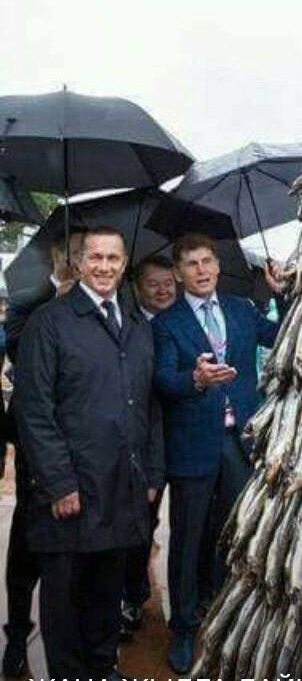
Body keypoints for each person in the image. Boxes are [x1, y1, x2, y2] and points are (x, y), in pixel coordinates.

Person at [13, 226, 164, 681]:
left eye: (112, 258)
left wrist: (151, 471)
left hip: (122, 488)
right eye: (95, 257)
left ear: (124, 264)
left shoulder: (136, 325)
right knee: (65, 600)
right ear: (78, 263)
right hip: (71, 493)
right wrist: (59, 483)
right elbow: (33, 409)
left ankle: (103, 668)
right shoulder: (50, 322)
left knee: (105, 593)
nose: (104, 266)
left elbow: (149, 404)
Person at [152, 232, 283, 674]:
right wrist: (195, 379)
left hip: (239, 443)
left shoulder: (241, 309)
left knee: (232, 534)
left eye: (207, 261)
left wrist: (281, 296)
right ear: (178, 272)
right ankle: (184, 627)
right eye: (192, 264)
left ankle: (223, 615)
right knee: (187, 539)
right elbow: (162, 380)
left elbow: (281, 336)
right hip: (192, 445)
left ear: (218, 265)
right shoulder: (166, 323)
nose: (202, 270)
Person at [2, 227, 85, 678]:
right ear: (56, 254)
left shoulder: (97, 305)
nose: (77, 260)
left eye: (84, 253)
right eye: (73, 252)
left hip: (80, 440)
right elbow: (18, 348)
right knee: (27, 540)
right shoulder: (28, 300)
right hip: (35, 442)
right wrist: (58, 303)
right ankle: (17, 633)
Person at [120, 255, 176, 637]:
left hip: (182, 439)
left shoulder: (185, 322)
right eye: (153, 283)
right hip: (140, 441)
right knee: (137, 523)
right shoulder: (126, 325)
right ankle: (131, 596)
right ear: (137, 286)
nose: (162, 290)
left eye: (168, 283)